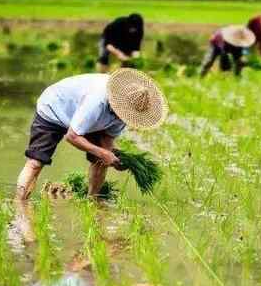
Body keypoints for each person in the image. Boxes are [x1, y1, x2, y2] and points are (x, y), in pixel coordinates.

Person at [15, 68, 168, 200]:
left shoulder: (127, 112)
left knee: (101, 161)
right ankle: (19, 204)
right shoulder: (97, 100)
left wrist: (111, 158)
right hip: (54, 108)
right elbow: (72, 136)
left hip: (87, 119)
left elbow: (108, 138)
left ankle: (93, 201)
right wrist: (102, 152)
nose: (124, 117)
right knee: (36, 163)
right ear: (118, 102)